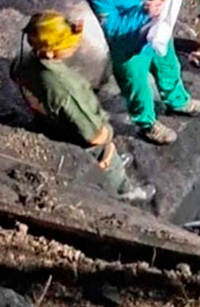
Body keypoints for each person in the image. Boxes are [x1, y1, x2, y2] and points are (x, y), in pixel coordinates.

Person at [84, 0, 200, 144]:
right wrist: (144, 11)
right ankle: (147, 124)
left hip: (157, 32)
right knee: (137, 87)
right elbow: (113, 28)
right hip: (129, 47)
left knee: (169, 66)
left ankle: (176, 100)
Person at [12, 11, 155, 203]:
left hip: (49, 124)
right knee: (108, 160)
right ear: (50, 52)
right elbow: (93, 135)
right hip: (83, 139)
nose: (75, 45)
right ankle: (125, 193)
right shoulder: (64, 89)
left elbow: (14, 73)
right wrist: (107, 136)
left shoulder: (24, 61)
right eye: (69, 45)